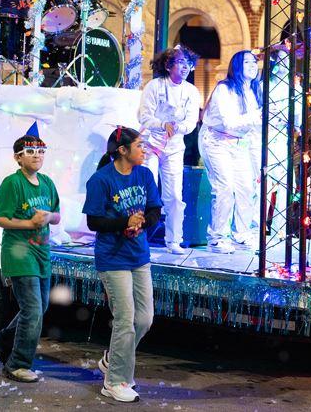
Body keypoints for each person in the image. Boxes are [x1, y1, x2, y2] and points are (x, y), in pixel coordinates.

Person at [83, 127, 162, 403]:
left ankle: (112, 359)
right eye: (139, 145)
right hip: (112, 258)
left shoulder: (145, 174)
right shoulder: (100, 180)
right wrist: (123, 223)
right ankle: (115, 381)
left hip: (139, 256)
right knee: (125, 319)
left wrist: (143, 222)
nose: (144, 150)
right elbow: (93, 222)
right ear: (122, 150)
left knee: (145, 319)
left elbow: (155, 210)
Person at [0, 127, 61, 383]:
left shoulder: (47, 183)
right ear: (18, 157)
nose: (37, 155)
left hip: (42, 252)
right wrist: (29, 223)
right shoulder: (13, 183)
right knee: (33, 310)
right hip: (19, 253)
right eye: (30, 151)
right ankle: (17, 364)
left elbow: (57, 216)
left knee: (40, 307)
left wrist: (48, 217)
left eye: (41, 151)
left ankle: (0, 342)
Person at [138, 46, 202, 254]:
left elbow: (191, 122)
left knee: (174, 195)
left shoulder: (191, 91)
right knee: (145, 191)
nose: (185, 67)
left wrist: (177, 127)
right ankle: (137, 236)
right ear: (168, 65)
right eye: (180, 62)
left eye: (188, 63)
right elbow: (144, 117)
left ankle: (174, 239)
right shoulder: (154, 86)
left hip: (174, 148)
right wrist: (162, 124)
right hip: (149, 145)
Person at [199, 50, 262, 253]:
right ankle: (216, 237)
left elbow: (253, 125)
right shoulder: (224, 89)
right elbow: (229, 122)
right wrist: (256, 117)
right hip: (216, 141)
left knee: (247, 188)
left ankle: (241, 234)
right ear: (237, 66)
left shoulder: (254, 91)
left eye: (254, 62)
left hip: (239, 143)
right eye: (247, 62)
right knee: (225, 187)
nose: (253, 65)